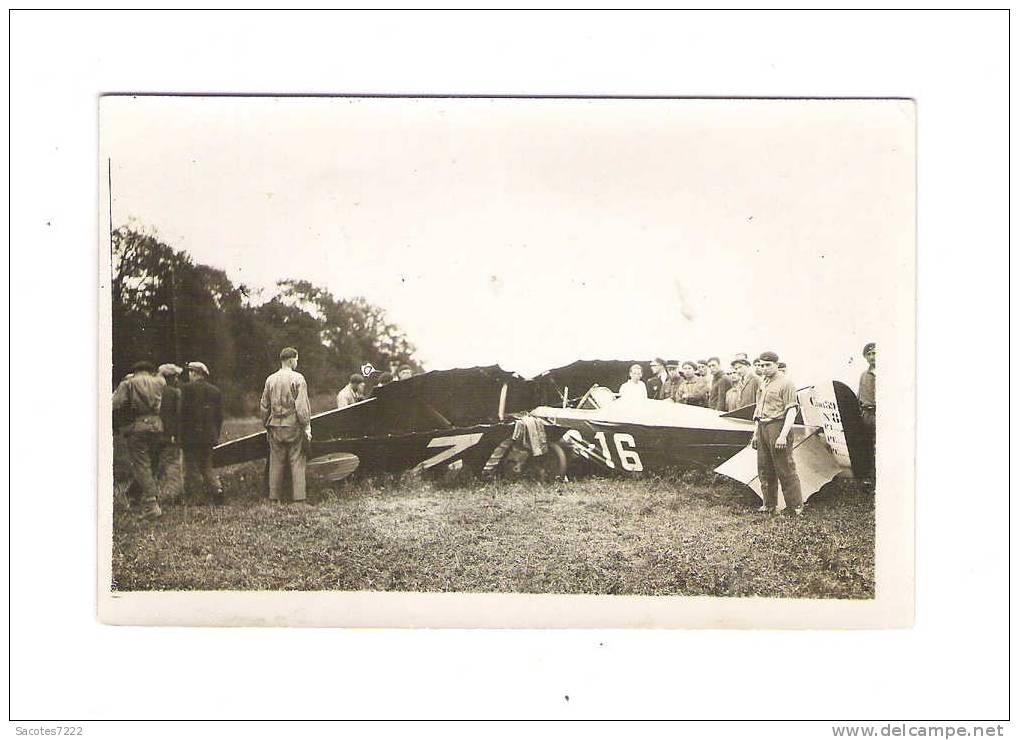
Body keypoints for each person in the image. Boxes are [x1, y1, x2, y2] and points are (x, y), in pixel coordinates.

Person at [751, 351, 804, 515]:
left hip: (778, 426)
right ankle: (769, 504)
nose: (764, 368)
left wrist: (782, 435)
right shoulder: (763, 383)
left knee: (785, 467)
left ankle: (795, 507)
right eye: (761, 365)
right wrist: (755, 433)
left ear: (776, 364)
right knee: (764, 467)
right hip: (763, 427)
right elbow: (759, 409)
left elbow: (791, 410)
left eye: (768, 365)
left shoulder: (786, 383)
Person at [112, 360, 166, 520]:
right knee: (151, 463)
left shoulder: (129, 383)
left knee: (141, 465)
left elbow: (115, 403)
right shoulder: (160, 382)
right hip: (157, 426)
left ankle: (151, 505)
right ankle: (134, 496)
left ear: (135, 371)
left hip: (139, 426)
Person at [260, 347, 312, 503]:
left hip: (275, 425)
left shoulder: (270, 379)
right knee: (297, 461)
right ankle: (299, 499)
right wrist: (306, 426)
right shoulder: (298, 379)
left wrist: (266, 424)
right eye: (296, 359)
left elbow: (264, 406)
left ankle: (274, 498)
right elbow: (301, 407)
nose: (297, 362)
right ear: (291, 360)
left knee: (276, 462)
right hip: (293, 426)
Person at [179, 361, 224, 505]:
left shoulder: (185, 389)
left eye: (190, 372)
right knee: (207, 465)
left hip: (190, 436)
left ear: (194, 373)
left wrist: (180, 433)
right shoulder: (215, 390)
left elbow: (181, 414)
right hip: (209, 435)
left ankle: (194, 497)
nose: (189, 375)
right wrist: (215, 433)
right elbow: (219, 416)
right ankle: (217, 491)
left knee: (191, 466)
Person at [858, 342, 877, 479]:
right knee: (868, 447)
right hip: (867, 415)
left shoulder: (887, 373)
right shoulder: (864, 375)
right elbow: (860, 396)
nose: (872, 356)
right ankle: (870, 478)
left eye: (874, 353)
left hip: (880, 415)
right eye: (868, 354)